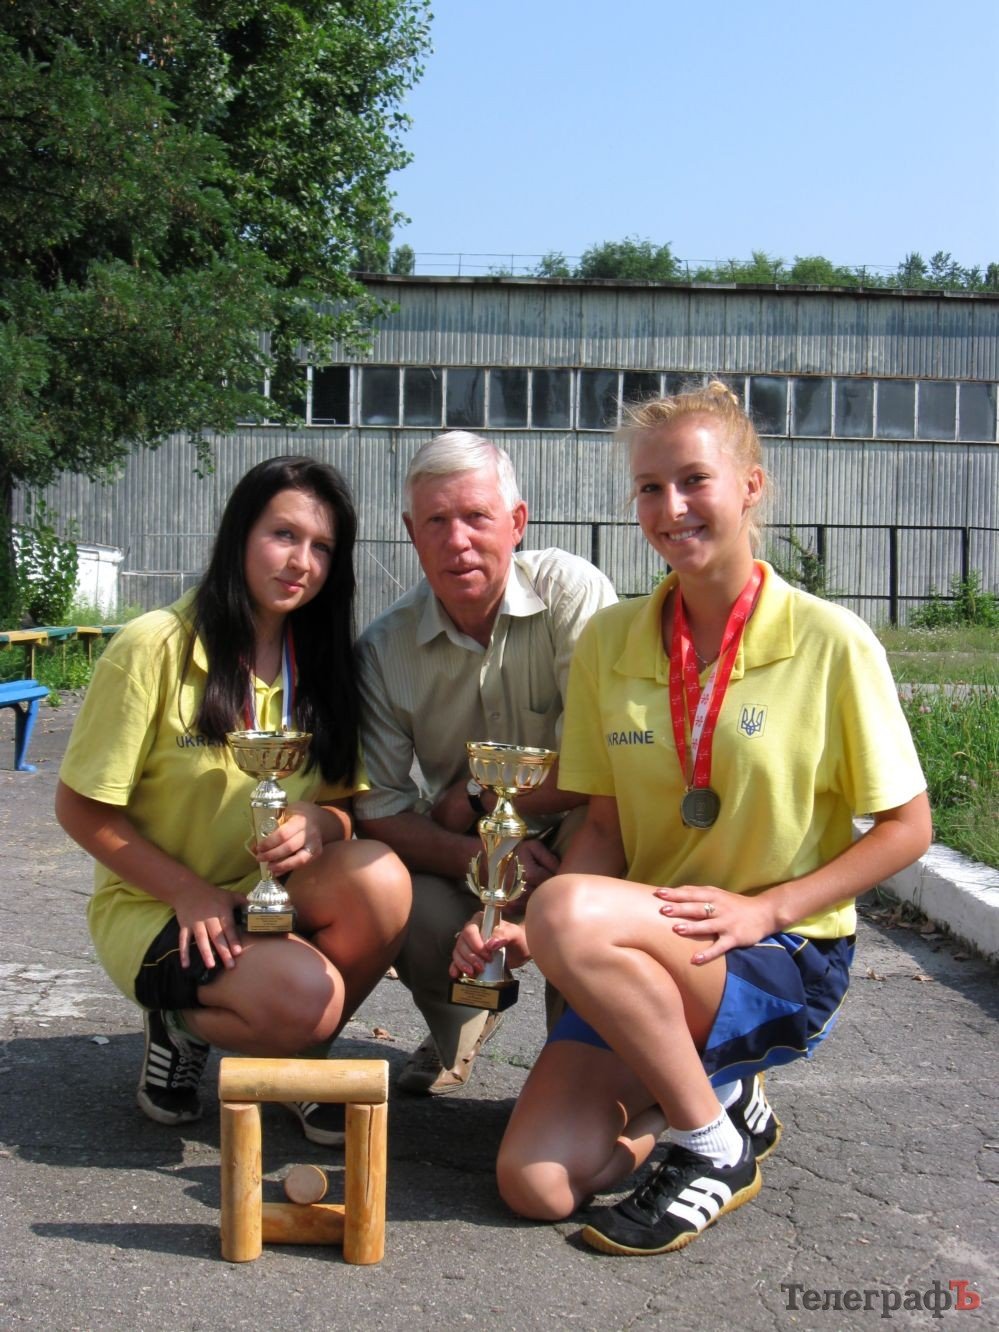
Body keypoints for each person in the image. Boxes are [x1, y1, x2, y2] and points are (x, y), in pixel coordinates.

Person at [450, 381, 931, 1255]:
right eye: (647, 488)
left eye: (693, 480)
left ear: (749, 484)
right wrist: (533, 934)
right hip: (650, 945)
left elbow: (907, 828)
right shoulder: (611, 641)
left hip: (776, 952)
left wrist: (766, 910)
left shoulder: (829, 640)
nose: (669, 508)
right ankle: (717, 1095)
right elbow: (601, 829)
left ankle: (712, 1144)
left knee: (563, 909)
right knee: (536, 1183)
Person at [56, 456, 411, 1143]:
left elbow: (349, 810)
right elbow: (81, 809)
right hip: (160, 905)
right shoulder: (152, 646)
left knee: (383, 881)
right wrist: (189, 892)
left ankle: (298, 1063)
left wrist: (318, 820)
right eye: (283, 535)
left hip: (269, 901)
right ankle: (180, 1026)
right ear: (239, 534)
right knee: (309, 998)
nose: (301, 561)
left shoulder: (328, 664)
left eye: (322, 547)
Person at [355, 431, 617, 1094]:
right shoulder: (385, 649)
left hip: (594, 834)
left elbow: (609, 762)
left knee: (585, 960)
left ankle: (584, 1063)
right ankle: (462, 1023)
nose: (457, 540)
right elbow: (379, 808)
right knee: (400, 900)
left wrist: (472, 799)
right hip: (468, 851)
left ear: (517, 523)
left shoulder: (570, 593)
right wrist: (484, 859)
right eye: (436, 522)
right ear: (412, 533)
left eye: (476, 517)